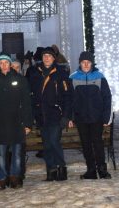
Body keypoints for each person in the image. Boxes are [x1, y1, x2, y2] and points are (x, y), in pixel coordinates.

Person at [0, 53, 33, 190]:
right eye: (1, 63)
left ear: (10, 64)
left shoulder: (20, 79)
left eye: (6, 62)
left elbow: (26, 103)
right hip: (0, 123)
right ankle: (1, 179)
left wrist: (28, 123)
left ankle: (15, 178)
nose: (4, 65)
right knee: (0, 154)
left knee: (17, 153)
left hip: (17, 122)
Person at [29, 46, 72, 181]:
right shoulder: (35, 72)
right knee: (47, 144)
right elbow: (31, 94)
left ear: (54, 58)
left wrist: (66, 116)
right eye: (44, 56)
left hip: (55, 114)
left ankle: (61, 168)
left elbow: (68, 96)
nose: (47, 58)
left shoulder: (61, 73)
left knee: (54, 141)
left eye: (49, 56)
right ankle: (51, 170)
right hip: (41, 114)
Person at [69, 51, 112, 179]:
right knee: (86, 144)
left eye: (88, 62)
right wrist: (71, 117)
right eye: (83, 62)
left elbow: (107, 97)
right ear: (80, 63)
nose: (86, 64)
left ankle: (102, 169)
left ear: (92, 63)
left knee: (98, 144)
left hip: (96, 117)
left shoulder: (99, 77)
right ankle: (91, 170)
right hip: (81, 118)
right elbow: (70, 99)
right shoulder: (73, 78)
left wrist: (106, 117)